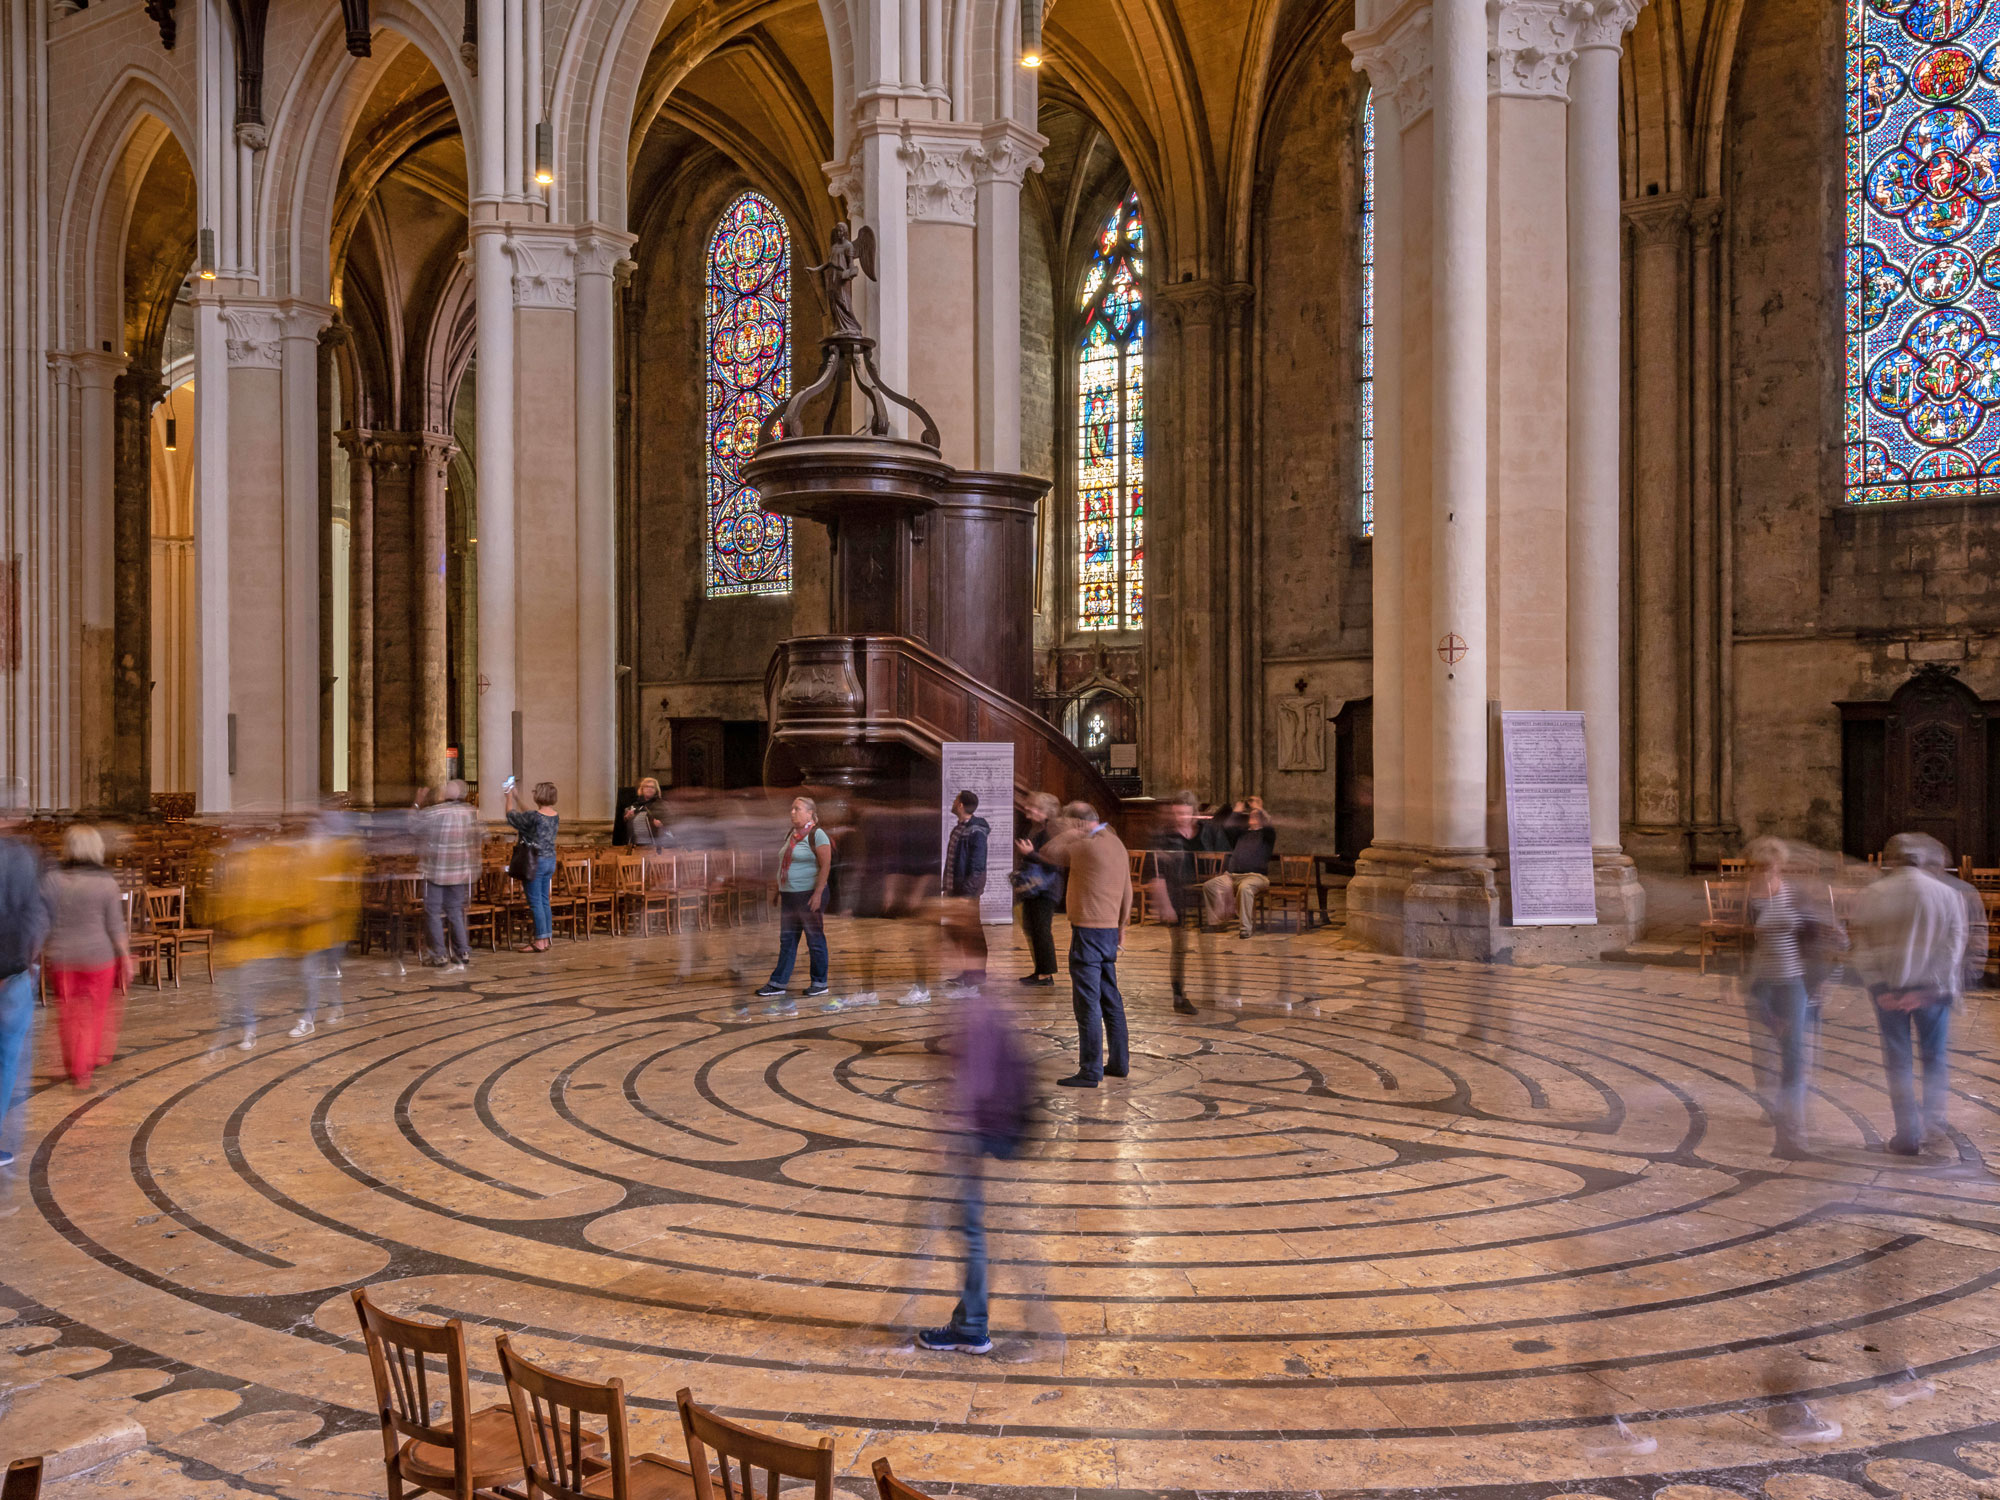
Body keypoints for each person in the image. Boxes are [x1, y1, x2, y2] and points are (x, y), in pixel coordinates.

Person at [919, 986, 1033, 1355]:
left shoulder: (975, 1007)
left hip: (971, 1133)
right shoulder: (984, 999)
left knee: (970, 1231)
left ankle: (971, 1325)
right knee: (972, 1229)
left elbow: (976, 1079)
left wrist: (953, 1124)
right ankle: (971, 1322)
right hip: (979, 1130)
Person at [1849, 832, 1968, 1155]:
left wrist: (1880, 988)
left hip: (1889, 991)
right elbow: (1953, 946)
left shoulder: (1873, 894)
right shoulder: (1946, 893)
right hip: (1931, 994)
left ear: (1892, 859)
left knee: (1899, 1062)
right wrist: (1928, 988)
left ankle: (1907, 1135)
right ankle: (1934, 1129)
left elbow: (1861, 946)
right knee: (1934, 1060)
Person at [1740, 837, 1839, 1160]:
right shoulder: (1749, 899)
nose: (1765, 872)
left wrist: (1819, 979)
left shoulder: (1795, 893)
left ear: (1780, 865)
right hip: (1761, 986)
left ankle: (1790, 1137)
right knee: (1766, 1053)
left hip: (1793, 982)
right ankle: (1775, 1109)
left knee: (1793, 1056)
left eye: (1770, 866)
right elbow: (1742, 943)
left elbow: (1818, 934)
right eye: (1758, 867)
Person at [1034, 802, 1132, 1088]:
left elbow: (1048, 853)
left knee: (1087, 1003)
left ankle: (1090, 1070)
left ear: (1078, 823)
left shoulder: (1085, 846)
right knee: (1110, 998)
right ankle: (1118, 1062)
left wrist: (1073, 833)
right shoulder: (1116, 843)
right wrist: (1122, 927)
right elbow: (1127, 887)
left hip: (1088, 931)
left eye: (1068, 821)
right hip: (1108, 931)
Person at [41, 825, 130, 1089]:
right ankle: (83, 1069)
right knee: (94, 1014)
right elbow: (115, 926)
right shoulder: (106, 883)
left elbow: (42, 920)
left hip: (62, 957)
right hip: (98, 958)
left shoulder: (52, 880)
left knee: (68, 1014)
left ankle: (73, 1063)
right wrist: (124, 955)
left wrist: (37, 950)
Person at [0, 780, 49, 1206]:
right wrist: (26, 960)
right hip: (12, 973)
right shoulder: (22, 857)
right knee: (8, 1060)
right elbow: (34, 914)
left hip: (13, 970)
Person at [756, 795, 831, 1007]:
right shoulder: (792, 834)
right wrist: (778, 890)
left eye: (797, 809)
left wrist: (818, 893)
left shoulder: (818, 834)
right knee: (787, 939)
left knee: (814, 939)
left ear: (810, 813)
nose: (792, 812)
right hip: (790, 895)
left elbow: (825, 866)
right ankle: (778, 982)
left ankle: (819, 982)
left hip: (809, 895)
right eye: (791, 808)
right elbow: (784, 863)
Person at [293, 811, 362, 1036]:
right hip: (312, 925)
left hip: (335, 925)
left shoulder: (341, 855)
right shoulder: (307, 858)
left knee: (329, 970)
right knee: (309, 972)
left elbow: (347, 892)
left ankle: (335, 1006)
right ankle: (308, 1017)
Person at [415, 780, 481, 978]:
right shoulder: (470, 813)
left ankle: (439, 955)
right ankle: (463, 952)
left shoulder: (436, 812)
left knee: (433, 911)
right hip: (460, 871)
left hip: (437, 870)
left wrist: (418, 802)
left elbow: (413, 827)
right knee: (455, 912)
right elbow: (480, 836)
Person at [1150, 792, 1208, 1015]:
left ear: (1194, 813)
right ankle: (1179, 994)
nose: (1180, 817)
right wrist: (1165, 903)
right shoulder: (1165, 837)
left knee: (1206, 949)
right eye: (1177, 813)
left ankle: (1210, 991)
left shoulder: (1204, 834)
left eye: (1184, 813)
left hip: (1203, 897)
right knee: (1180, 948)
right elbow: (1157, 872)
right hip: (1177, 898)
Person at [1203, 804, 1276, 939]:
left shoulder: (1266, 835)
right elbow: (1228, 826)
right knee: (1210, 886)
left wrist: (1260, 808)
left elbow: (1270, 826)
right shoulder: (1242, 833)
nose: (1252, 817)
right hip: (1233, 876)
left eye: (1256, 815)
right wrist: (1236, 811)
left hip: (1256, 877)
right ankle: (1216, 923)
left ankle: (1245, 929)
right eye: (1251, 815)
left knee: (1245, 888)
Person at [505, 779, 561, 952]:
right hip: (550, 860)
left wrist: (508, 798)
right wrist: (517, 797)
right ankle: (545, 939)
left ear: (540, 795)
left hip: (535, 861)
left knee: (535, 902)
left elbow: (510, 816)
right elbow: (530, 814)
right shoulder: (554, 815)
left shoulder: (533, 817)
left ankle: (539, 940)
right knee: (544, 901)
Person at [942, 790, 990, 986]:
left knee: (973, 933)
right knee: (961, 932)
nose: (953, 803)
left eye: (955, 800)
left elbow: (977, 866)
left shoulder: (976, 831)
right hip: (956, 890)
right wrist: (948, 887)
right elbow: (952, 862)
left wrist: (968, 894)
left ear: (960, 805)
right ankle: (968, 971)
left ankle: (977, 974)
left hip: (966, 893)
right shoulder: (959, 829)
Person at [626, 777, 673, 851]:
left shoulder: (662, 804)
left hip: (658, 845)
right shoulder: (636, 805)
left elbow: (671, 820)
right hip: (638, 845)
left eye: (652, 787)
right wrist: (627, 817)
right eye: (647, 786)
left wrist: (662, 824)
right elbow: (625, 823)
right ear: (642, 789)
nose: (649, 789)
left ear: (656, 790)